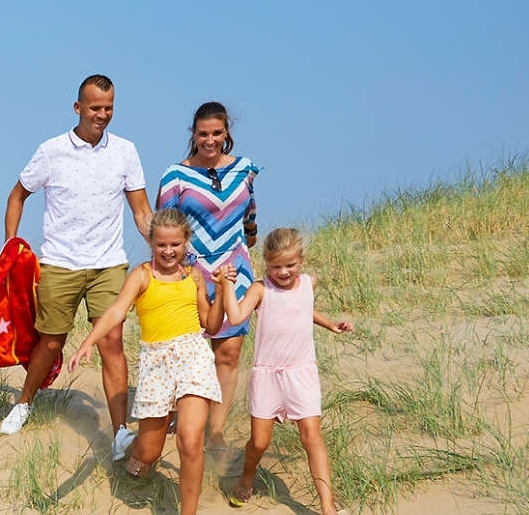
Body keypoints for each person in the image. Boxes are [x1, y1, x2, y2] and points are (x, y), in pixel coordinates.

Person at [0, 74, 155, 460]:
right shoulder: (51, 151)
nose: (102, 115)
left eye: (109, 108)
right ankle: (24, 402)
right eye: (95, 108)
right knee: (51, 341)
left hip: (108, 264)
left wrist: (166, 249)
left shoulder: (125, 151)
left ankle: (120, 431)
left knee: (112, 342)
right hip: (60, 262)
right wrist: (12, 246)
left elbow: (140, 211)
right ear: (78, 108)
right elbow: (18, 195)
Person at [68, 209, 223, 515]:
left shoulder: (194, 276)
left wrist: (224, 290)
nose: (168, 251)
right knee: (150, 449)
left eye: (175, 245)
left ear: (186, 242)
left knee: (190, 441)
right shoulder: (141, 276)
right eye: (162, 245)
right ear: (152, 243)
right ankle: (131, 451)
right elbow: (115, 313)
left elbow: (212, 325)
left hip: (193, 357)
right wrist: (88, 342)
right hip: (157, 363)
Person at [219, 229, 353, 514]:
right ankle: (246, 478)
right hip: (267, 376)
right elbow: (235, 316)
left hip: (302, 373)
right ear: (266, 263)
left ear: (301, 261)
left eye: (289, 265)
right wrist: (227, 287)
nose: (283, 272)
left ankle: (327, 506)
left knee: (312, 436)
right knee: (259, 442)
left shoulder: (308, 284)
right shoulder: (260, 289)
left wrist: (330, 324)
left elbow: (303, 309)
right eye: (276, 266)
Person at [157, 101, 263, 448]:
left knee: (229, 352)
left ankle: (215, 431)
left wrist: (249, 240)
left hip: (235, 269)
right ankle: (179, 412)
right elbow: (165, 227)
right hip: (192, 271)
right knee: (190, 351)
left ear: (226, 132)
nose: (210, 140)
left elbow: (250, 213)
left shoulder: (245, 169)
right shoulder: (175, 176)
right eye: (203, 134)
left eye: (217, 133)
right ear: (194, 134)